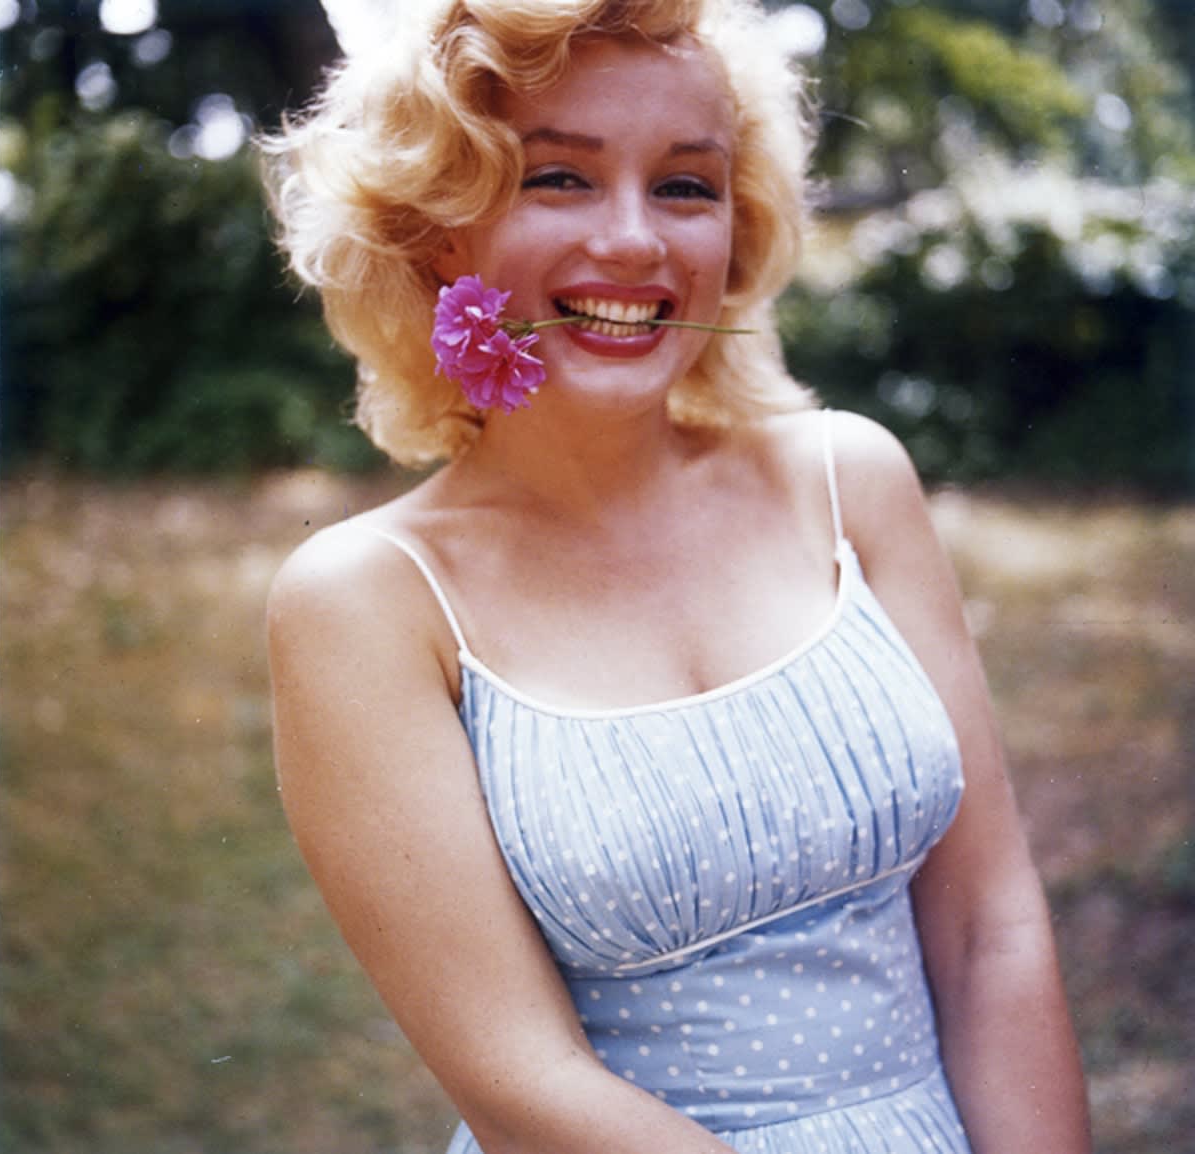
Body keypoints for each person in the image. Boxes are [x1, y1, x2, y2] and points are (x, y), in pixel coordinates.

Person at [263, 1, 1091, 1151]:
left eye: (686, 186)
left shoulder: (850, 484)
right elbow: (517, 1075)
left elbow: (988, 926)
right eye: (559, 178)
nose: (636, 241)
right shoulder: (368, 600)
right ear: (437, 230)